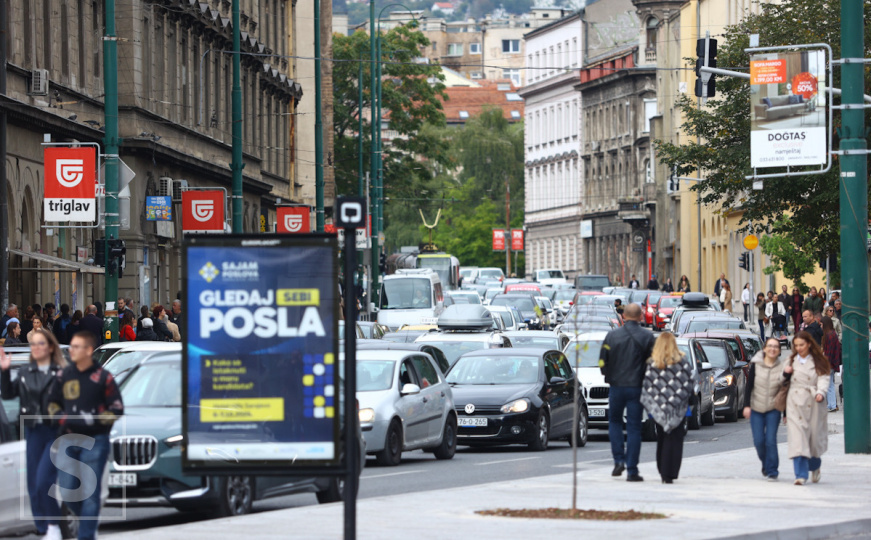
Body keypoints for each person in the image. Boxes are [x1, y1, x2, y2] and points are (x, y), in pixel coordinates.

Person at [48, 331, 123, 540]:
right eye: (71, 347)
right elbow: (52, 404)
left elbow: (116, 408)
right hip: (67, 440)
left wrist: (94, 421)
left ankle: (87, 536)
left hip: (95, 441)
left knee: (90, 493)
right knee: (69, 492)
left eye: (76, 347)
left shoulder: (103, 377)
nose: (71, 351)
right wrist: (63, 420)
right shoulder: (64, 375)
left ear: (89, 350)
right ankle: (87, 522)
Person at [1, 329, 67, 540]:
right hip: (32, 431)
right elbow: (9, 394)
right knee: (33, 485)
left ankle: (54, 525)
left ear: (49, 347)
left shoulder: (61, 373)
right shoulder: (25, 372)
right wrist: (4, 371)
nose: (36, 348)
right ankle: (44, 526)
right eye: (34, 344)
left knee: (43, 481)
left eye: (40, 344)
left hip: (53, 432)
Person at [599, 303, 656, 482]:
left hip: (616, 386)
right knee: (634, 428)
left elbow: (602, 361)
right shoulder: (647, 337)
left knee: (614, 422)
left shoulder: (611, 336)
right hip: (637, 387)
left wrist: (608, 376)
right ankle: (632, 470)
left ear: (623, 316)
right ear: (641, 317)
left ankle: (618, 460)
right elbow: (653, 363)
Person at [640, 332, 693, 484]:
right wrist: (680, 399)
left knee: (662, 439)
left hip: (658, 407)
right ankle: (671, 472)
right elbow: (689, 383)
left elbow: (647, 386)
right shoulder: (682, 362)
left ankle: (663, 471)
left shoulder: (652, 364)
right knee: (676, 439)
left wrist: (654, 403)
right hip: (677, 408)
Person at [783, 331, 830, 485]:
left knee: (813, 441)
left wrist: (821, 392)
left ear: (809, 344)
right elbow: (781, 382)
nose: (799, 348)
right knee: (797, 439)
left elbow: (824, 378)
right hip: (795, 402)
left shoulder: (818, 361)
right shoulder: (790, 361)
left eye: (801, 345)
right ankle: (800, 475)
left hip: (813, 401)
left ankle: (815, 466)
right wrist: (785, 373)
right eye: (796, 345)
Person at [743, 337, 785, 481]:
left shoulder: (782, 367)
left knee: (770, 440)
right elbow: (749, 387)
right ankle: (766, 463)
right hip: (756, 408)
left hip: (774, 408)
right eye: (770, 346)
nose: (772, 349)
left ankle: (772, 470)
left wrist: (785, 413)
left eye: (776, 347)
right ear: (765, 349)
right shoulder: (756, 364)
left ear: (779, 351)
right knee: (759, 441)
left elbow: (784, 391)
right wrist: (746, 406)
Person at [821, 316, 841, 413]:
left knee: (829, 385)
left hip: (828, 363)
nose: (820, 325)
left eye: (821, 324)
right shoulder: (833, 334)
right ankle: (831, 404)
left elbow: (828, 352)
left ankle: (831, 405)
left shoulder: (829, 335)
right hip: (832, 363)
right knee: (831, 385)